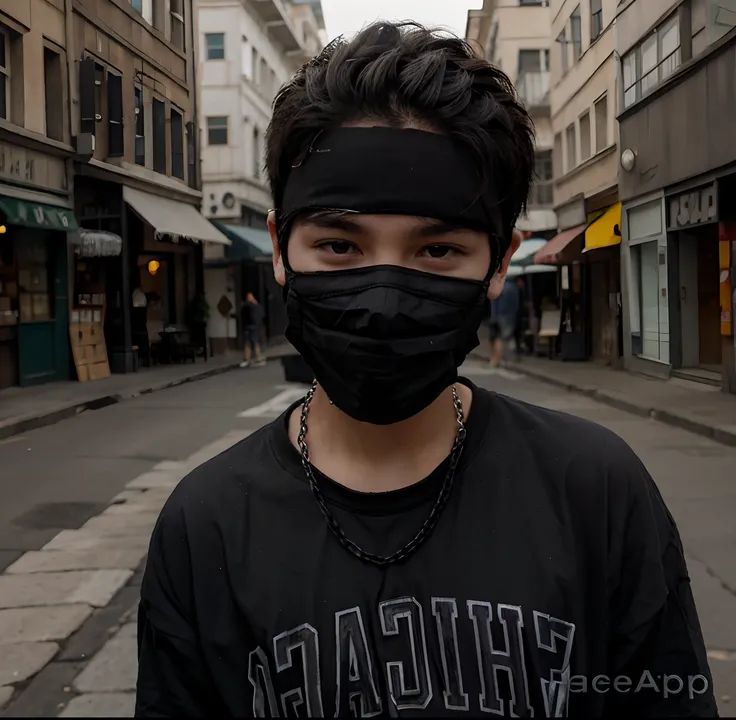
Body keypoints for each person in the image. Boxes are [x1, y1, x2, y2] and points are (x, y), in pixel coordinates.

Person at [135, 22, 716, 719]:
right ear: (281, 249)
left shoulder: (597, 493)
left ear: (500, 263)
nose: (383, 302)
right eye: (340, 244)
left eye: (437, 251)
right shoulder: (205, 527)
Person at [488, 275, 521, 367]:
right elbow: (517, 304)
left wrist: (493, 315)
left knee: (497, 337)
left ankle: (496, 359)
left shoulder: (499, 286)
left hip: (497, 314)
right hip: (510, 315)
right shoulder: (514, 287)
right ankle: (508, 358)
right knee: (506, 336)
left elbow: (493, 301)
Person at [240, 291, 265, 368]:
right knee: (249, 342)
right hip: (250, 325)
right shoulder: (252, 305)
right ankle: (248, 359)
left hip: (253, 326)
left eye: (250, 297)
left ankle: (257, 358)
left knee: (253, 342)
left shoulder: (252, 306)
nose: (249, 299)